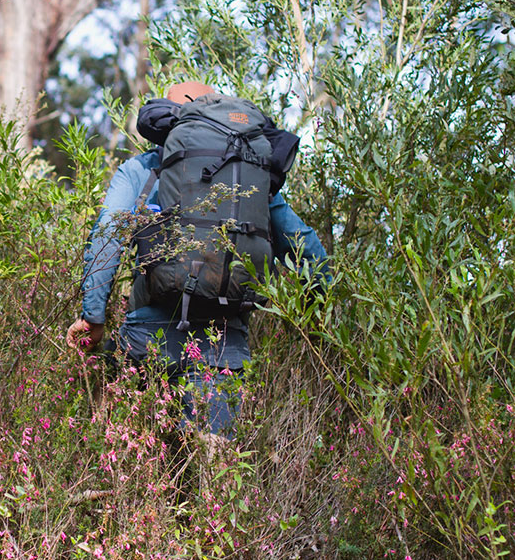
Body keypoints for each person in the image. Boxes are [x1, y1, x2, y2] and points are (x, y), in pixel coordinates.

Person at [66, 81, 330, 439]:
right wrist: (320, 320)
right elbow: (306, 248)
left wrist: (94, 317)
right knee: (214, 466)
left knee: (129, 458)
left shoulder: (142, 170)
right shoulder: (249, 177)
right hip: (225, 345)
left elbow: (106, 240)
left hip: (148, 339)